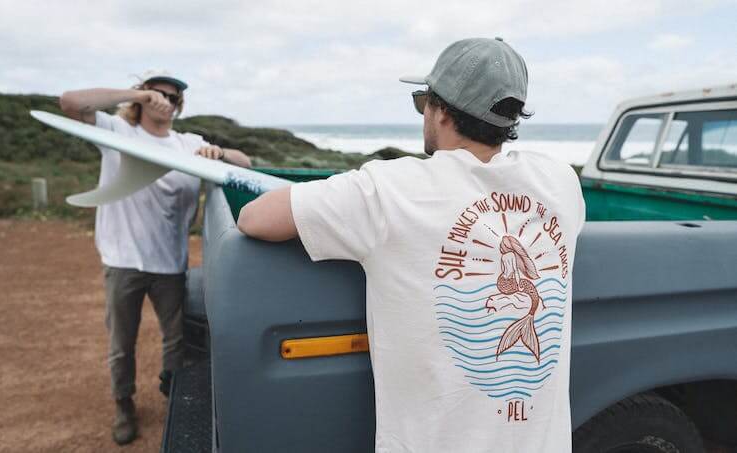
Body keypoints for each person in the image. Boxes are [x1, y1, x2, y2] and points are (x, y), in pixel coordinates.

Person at [237, 38, 585, 452]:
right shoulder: (561, 184)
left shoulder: (389, 190)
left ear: (440, 112)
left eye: (422, 102)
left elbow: (254, 219)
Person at [59, 70, 252, 445]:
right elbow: (69, 103)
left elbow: (244, 164)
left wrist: (220, 153)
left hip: (169, 263)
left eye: (174, 97)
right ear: (143, 97)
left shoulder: (188, 143)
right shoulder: (118, 132)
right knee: (121, 341)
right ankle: (123, 404)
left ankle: (173, 396)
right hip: (123, 259)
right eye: (158, 93)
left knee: (176, 341)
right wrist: (136, 95)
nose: (167, 100)